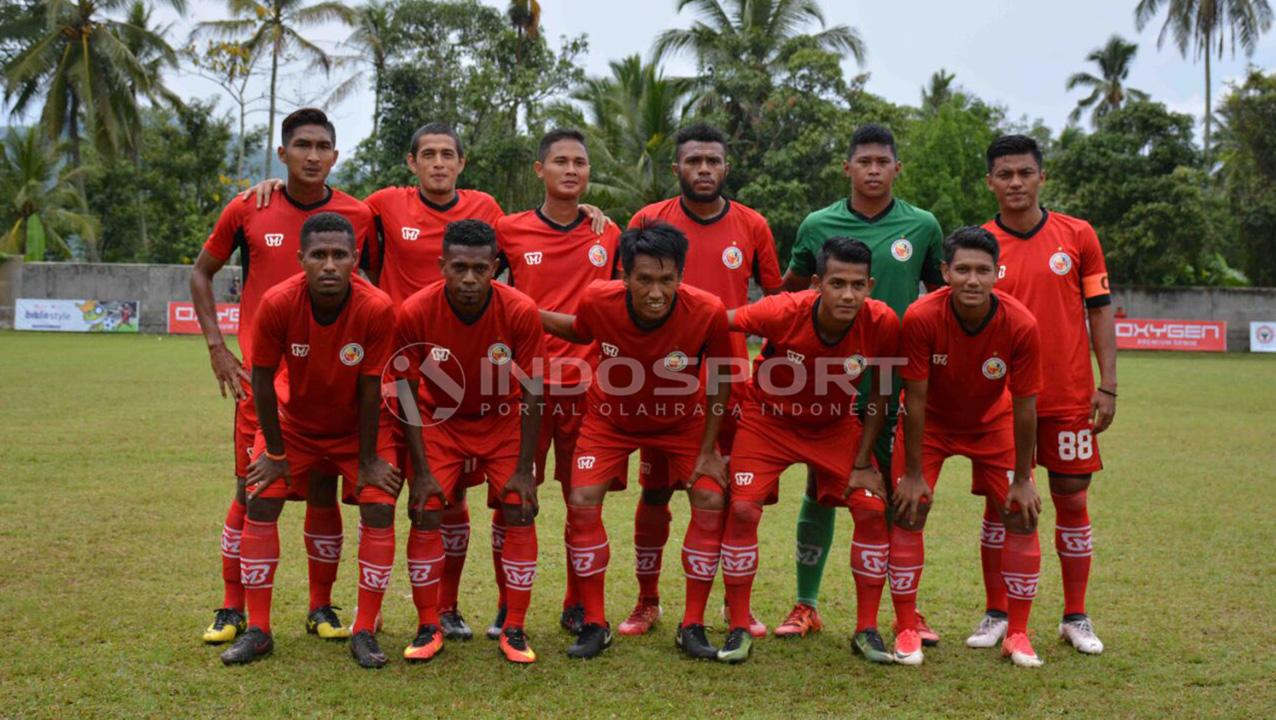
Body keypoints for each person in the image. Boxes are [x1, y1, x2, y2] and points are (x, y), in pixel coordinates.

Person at [243, 123, 610, 642]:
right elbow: (328, 212)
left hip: (496, 373)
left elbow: (531, 240)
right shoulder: (381, 206)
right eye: (428, 155)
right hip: (410, 370)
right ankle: (436, 612)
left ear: (462, 162)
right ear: (411, 162)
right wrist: (275, 190)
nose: (439, 163)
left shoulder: (489, 213)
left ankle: (513, 615)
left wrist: (585, 213)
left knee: (528, 501)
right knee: (436, 500)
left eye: (448, 155)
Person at [192, 108, 374, 645]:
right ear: (283, 153)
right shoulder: (251, 206)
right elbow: (201, 273)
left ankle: (322, 607)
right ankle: (233, 607)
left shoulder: (358, 215)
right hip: (265, 384)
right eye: (302, 146)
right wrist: (217, 347)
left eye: (322, 146)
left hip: (334, 387)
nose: (312, 156)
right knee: (251, 492)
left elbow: (375, 289)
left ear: (335, 155)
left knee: (322, 491)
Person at [773, 123, 944, 644]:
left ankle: (906, 613)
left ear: (897, 168)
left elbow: (941, 300)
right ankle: (806, 604)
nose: (873, 169)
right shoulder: (816, 223)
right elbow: (791, 295)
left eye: (882, 161)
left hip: (893, 381)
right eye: (863, 161)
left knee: (896, 493)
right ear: (846, 168)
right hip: (828, 385)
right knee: (820, 490)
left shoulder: (923, 226)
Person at [539, 222, 737, 659]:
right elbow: (579, 330)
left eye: (667, 280)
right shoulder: (598, 299)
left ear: (681, 277)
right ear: (624, 276)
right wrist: (522, 309)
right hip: (611, 419)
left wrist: (708, 451)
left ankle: (693, 625)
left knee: (709, 500)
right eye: (644, 279)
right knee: (582, 498)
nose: (655, 291)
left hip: (681, 422)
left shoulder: (706, 310)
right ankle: (594, 623)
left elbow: (721, 378)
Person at [620, 122, 782, 639]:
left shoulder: (753, 225)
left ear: (726, 167)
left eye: (713, 161)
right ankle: (648, 602)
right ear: (678, 169)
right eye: (694, 161)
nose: (704, 170)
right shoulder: (648, 219)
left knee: (732, 499)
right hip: (660, 385)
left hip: (730, 383)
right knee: (656, 494)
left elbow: (776, 305)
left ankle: (738, 607)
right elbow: (619, 300)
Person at [219, 212, 397, 665]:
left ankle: (363, 630)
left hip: (356, 429)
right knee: (259, 497)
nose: (330, 265)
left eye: (340, 255)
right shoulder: (278, 303)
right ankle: (258, 629)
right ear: (301, 259)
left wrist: (369, 458)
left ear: (356, 259)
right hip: (293, 426)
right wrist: (275, 453)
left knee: (379, 504)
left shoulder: (376, 307)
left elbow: (371, 385)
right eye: (319, 255)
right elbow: (260, 382)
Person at [719, 237, 899, 664]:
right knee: (743, 510)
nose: (848, 294)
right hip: (768, 421)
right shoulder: (782, 311)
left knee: (872, 510)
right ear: (817, 283)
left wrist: (862, 462)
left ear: (870, 285)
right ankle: (738, 627)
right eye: (837, 283)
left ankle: (867, 629)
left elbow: (882, 394)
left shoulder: (882, 322)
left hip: (834, 425)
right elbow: (714, 321)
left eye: (858, 284)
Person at [981, 134, 1116, 655]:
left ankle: (1075, 616)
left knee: (1073, 500)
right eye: (1005, 174)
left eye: (1025, 172)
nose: (1016, 182)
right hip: (1000, 403)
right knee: (1002, 508)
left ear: (1042, 176)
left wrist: (1107, 383)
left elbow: (1100, 309)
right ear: (990, 182)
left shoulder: (1078, 235)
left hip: (1068, 396)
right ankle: (997, 612)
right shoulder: (980, 245)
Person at [888, 226, 1044, 668]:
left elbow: (1026, 407)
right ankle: (905, 628)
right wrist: (914, 474)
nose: (972, 280)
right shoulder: (920, 317)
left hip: (991, 423)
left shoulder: (1020, 323)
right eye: (961, 270)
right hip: (931, 423)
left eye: (982, 270)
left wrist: (1023, 478)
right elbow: (914, 400)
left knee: (1021, 513)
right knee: (909, 507)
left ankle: (1017, 633)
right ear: (944, 272)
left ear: (998, 273)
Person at [394, 218, 546, 664]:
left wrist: (525, 467)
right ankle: (428, 625)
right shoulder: (416, 311)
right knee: (425, 509)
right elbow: (404, 390)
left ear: (495, 267)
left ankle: (514, 628)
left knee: (518, 506)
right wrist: (420, 472)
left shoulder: (519, 310)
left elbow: (534, 390)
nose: (469, 279)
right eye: (459, 267)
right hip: (439, 420)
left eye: (480, 269)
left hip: (500, 419)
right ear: (442, 265)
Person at [496, 128, 621, 636]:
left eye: (581, 163)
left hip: (587, 391)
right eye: (561, 161)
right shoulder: (509, 230)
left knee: (582, 502)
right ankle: (508, 604)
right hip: (523, 389)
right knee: (513, 500)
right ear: (539, 170)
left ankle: (576, 603)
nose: (572, 170)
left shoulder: (607, 234)